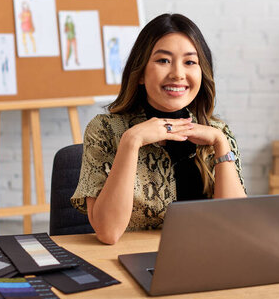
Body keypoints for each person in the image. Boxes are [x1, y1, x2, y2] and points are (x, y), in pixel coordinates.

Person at [71, 13, 246, 244]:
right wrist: (131, 142)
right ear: (141, 72)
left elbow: (235, 229)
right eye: (163, 60)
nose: (177, 74)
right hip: (132, 262)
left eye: (190, 62)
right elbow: (108, 232)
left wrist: (221, 143)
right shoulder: (104, 129)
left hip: (204, 260)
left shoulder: (218, 132)